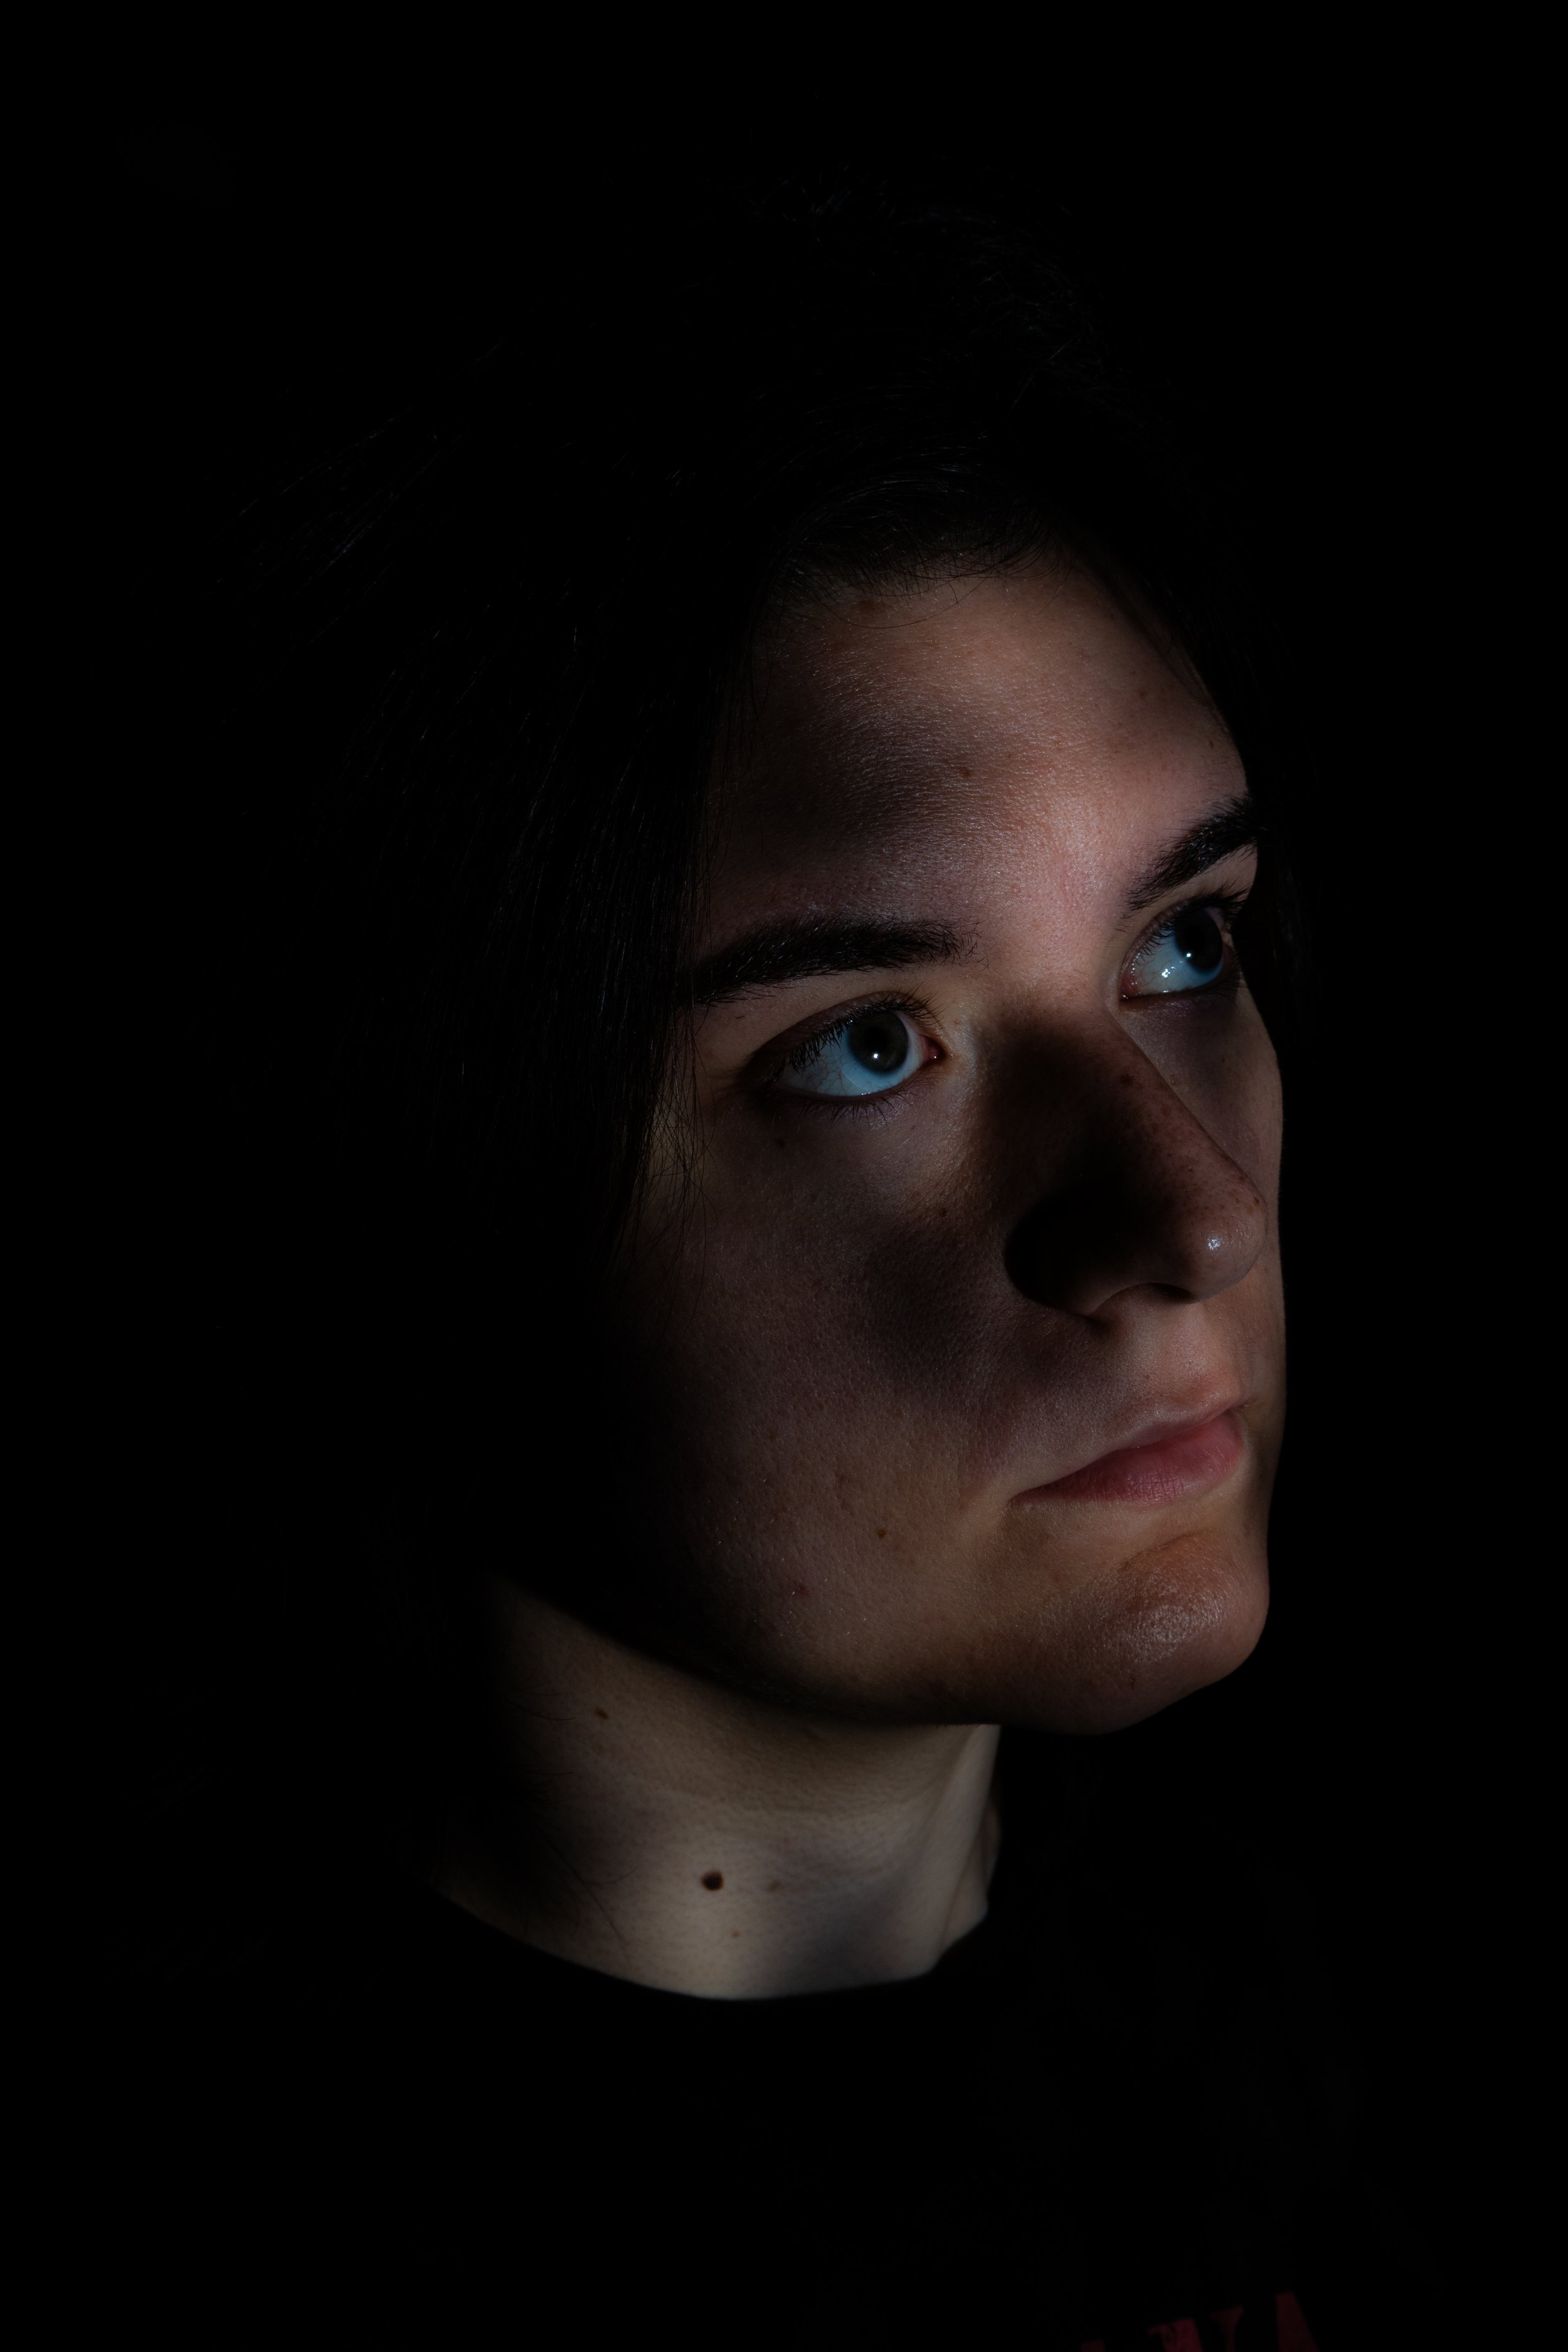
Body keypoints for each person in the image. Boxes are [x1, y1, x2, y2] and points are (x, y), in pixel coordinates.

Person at [117, 176, 1406, 2346]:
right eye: (865, 1047)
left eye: (1182, 941)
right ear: (402, 1154)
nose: (1191, 1216)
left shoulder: (1323, 2029)